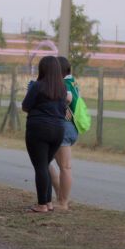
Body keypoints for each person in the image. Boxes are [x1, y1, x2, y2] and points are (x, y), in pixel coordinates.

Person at [21, 56, 69, 213]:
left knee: (41, 167)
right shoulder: (62, 89)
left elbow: (25, 106)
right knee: (45, 165)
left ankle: (41, 204)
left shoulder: (37, 86)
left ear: (42, 69)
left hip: (38, 129)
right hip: (58, 131)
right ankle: (47, 202)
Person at [48, 56, 79, 211]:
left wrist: (60, 105)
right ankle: (61, 195)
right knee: (44, 161)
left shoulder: (64, 83)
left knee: (65, 167)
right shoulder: (72, 81)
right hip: (67, 127)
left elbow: (67, 97)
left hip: (64, 127)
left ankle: (63, 202)